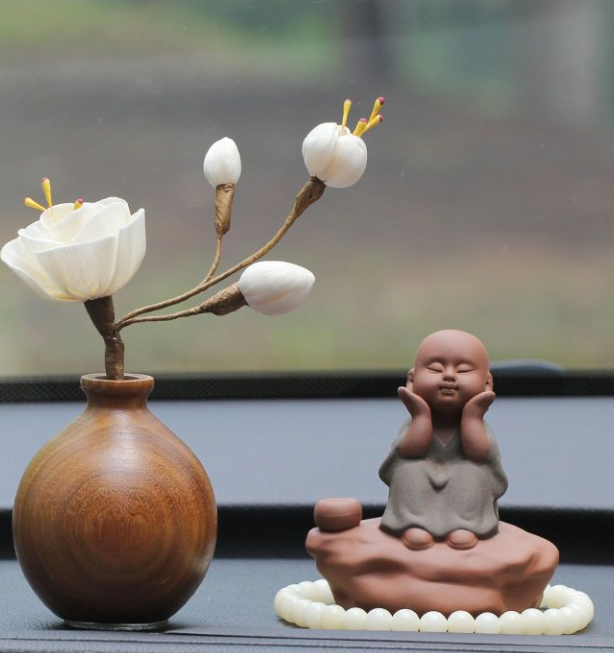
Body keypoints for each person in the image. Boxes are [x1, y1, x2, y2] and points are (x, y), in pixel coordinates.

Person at [379, 330, 508, 551]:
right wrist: (420, 415)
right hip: (419, 484)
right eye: (435, 369)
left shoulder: (478, 425)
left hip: (464, 485)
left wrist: (472, 416)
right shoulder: (414, 422)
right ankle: (413, 523)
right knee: (410, 469)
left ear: (487, 383)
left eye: (464, 370)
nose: (449, 376)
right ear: (412, 378)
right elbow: (411, 451)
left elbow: (478, 454)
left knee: (472, 471)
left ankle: (465, 526)